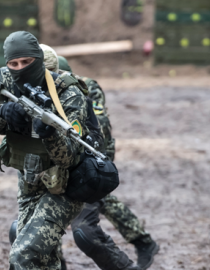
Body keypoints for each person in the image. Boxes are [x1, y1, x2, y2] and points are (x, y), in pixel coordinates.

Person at [0, 31, 89, 269]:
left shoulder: (68, 92)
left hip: (66, 187)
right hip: (28, 183)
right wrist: (2, 113)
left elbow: (70, 157)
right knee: (43, 261)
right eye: (13, 63)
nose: (19, 68)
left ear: (39, 59)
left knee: (22, 255)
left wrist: (51, 134)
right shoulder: (3, 80)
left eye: (26, 62)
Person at [58, 54, 159, 270]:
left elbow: (99, 126)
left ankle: (142, 242)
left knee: (94, 207)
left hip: (94, 152)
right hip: (65, 161)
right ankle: (143, 242)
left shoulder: (86, 87)